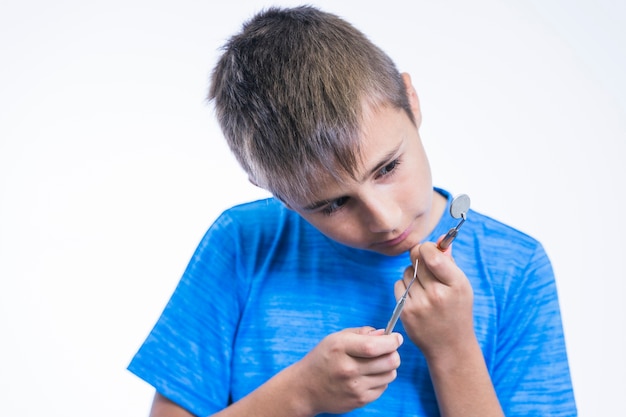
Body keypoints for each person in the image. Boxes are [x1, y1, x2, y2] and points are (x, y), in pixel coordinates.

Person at [128, 5, 576, 417]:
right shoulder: (243, 243)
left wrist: (453, 349)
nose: (386, 219)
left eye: (388, 167)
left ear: (410, 100)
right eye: (333, 204)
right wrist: (298, 393)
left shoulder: (517, 268)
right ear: (277, 193)